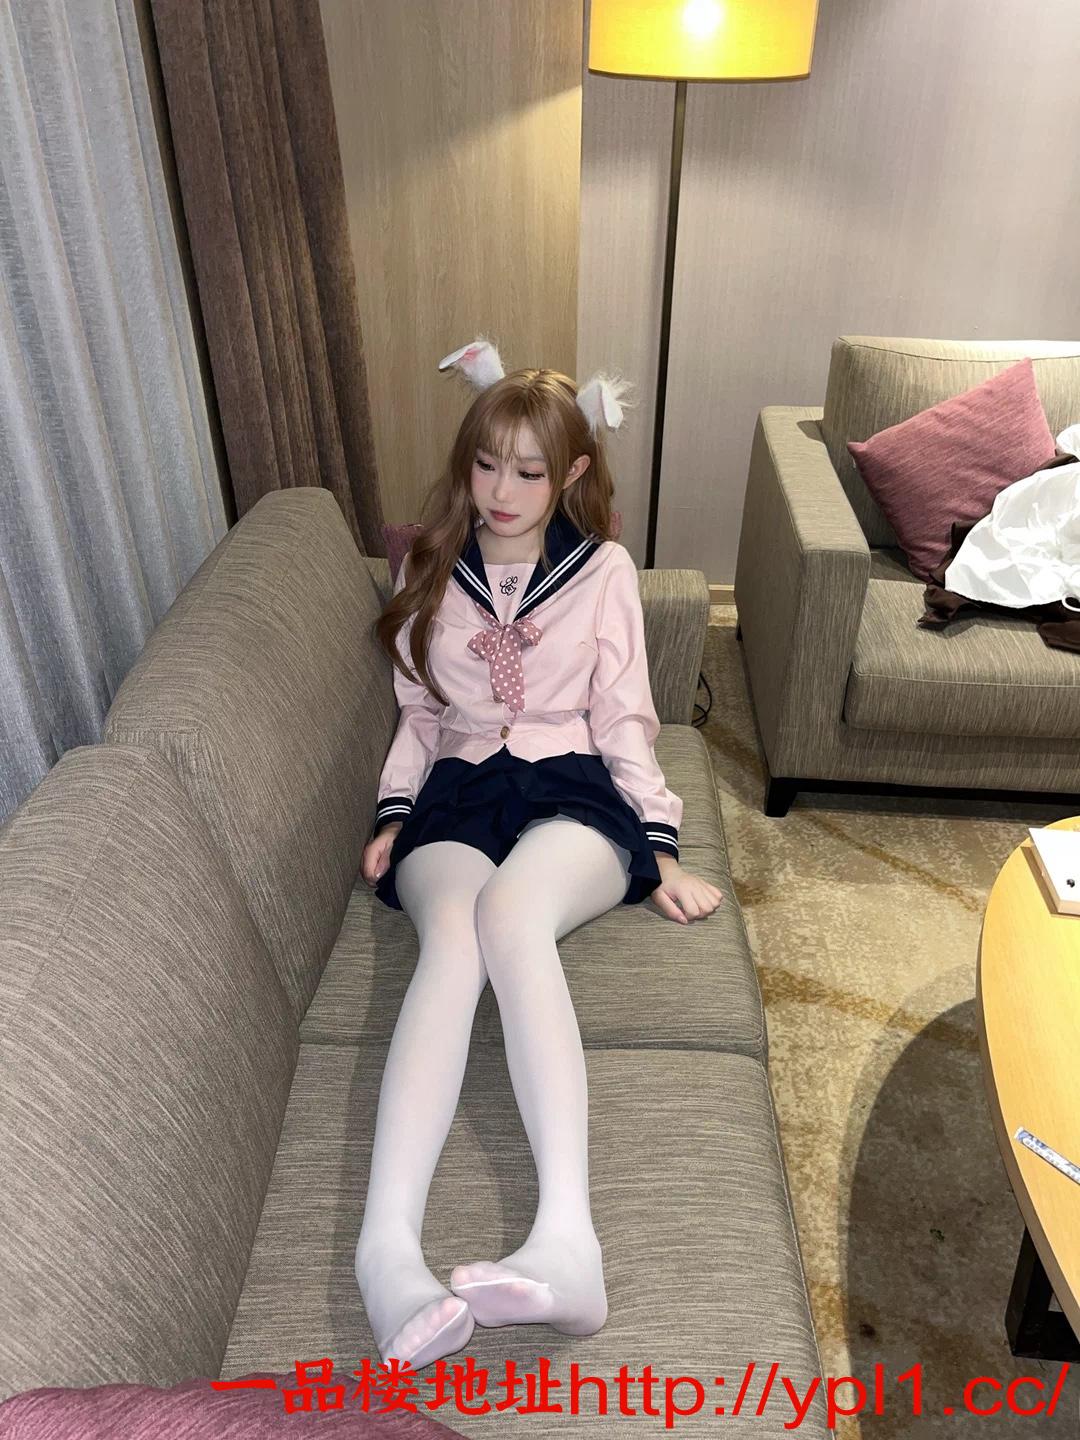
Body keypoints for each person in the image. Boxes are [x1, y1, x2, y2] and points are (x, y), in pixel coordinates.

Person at [354, 338, 723, 1374]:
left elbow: (625, 717)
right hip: (458, 787)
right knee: (453, 942)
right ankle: (386, 1254)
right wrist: (393, 815)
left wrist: (660, 846)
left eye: (528, 470)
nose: (501, 491)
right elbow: (420, 715)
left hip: (573, 787)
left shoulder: (602, 571)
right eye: (486, 464)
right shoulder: (429, 563)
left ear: (571, 472)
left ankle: (568, 1242)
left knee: (513, 916)